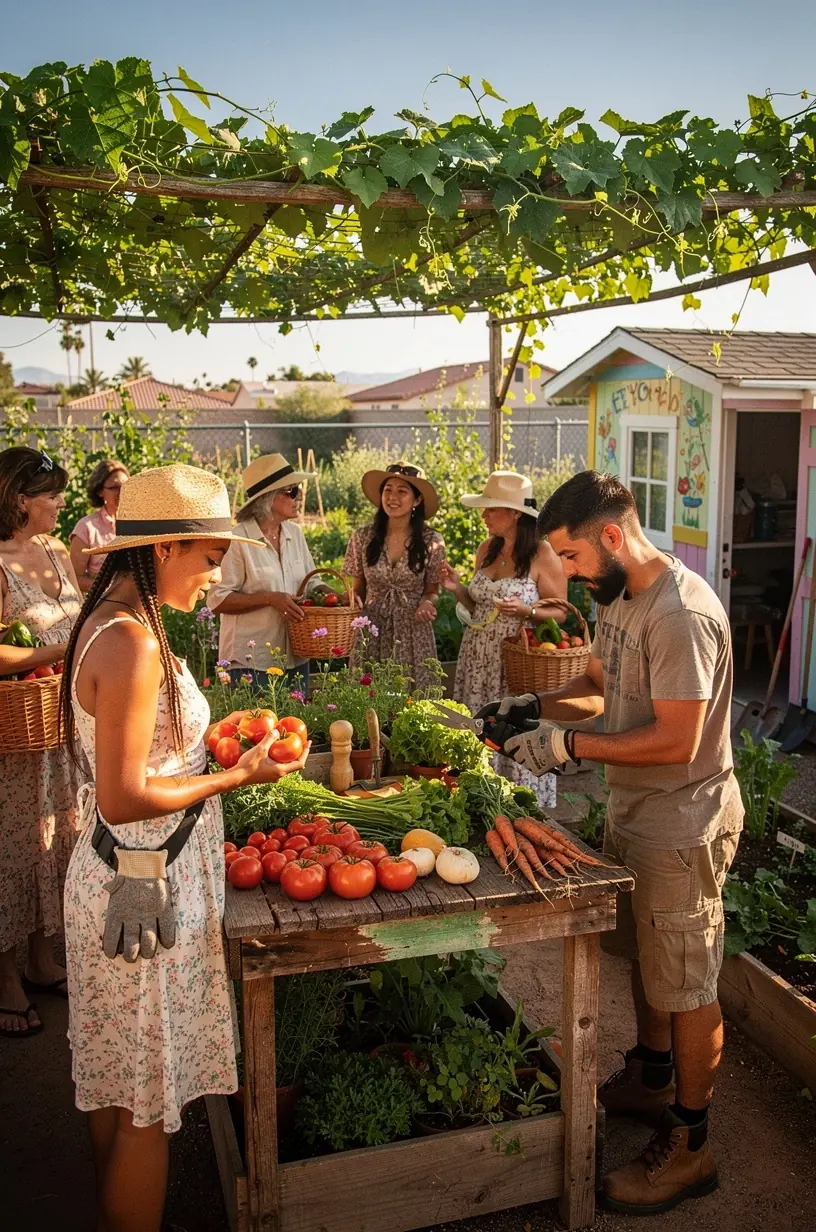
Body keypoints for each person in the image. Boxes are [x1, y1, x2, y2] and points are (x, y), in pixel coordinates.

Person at [61, 463, 310, 1232]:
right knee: (146, 1107)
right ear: (164, 548)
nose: (214, 575)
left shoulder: (114, 620)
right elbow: (124, 793)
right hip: (144, 887)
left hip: (122, 874)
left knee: (117, 1084)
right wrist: (234, 775)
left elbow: (142, 762)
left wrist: (211, 746)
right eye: (209, 557)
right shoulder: (132, 643)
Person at [493, 470, 743, 1215]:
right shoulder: (622, 598)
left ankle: (692, 1145)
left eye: (571, 557)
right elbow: (600, 686)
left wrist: (568, 747)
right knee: (647, 959)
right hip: (635, 812)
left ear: (611, 536)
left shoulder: (680, 614)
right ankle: (652, 1074)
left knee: (686, 984)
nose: (567, 573)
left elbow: (677, 738)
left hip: (682, 822)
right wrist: (530, 708)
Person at [0, 446, 86, 1038]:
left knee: (51, 839)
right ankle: (5, 979)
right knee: (13, 847)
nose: (60, 502)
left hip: (61, 722)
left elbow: (79, 617)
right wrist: (57, 652)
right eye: (51, 494)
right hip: (17, 733)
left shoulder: (55, 551)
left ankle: (39, 959)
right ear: (18, 499)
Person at [439, 470, 566, 809]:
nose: (484, 515)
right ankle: (479, 799)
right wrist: (457, 588)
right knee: (479, 724)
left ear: (514, 513)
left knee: (510, 725)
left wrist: (527, 611)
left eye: (491, 508)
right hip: (477, 658)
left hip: (514, 661)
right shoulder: (487, 548)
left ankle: (520, 804)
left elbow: (561, 613)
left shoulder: (542, 554)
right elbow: (476, 605)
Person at [208, 453, 317, 691]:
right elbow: (218, 600)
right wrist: (269, 599)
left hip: (296, 655)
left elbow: (311, 581)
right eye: (292, 491)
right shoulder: (238, 539)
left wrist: (332, 594)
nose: (299, 496)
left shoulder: (294, 534)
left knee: (297, 717)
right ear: (268, 499)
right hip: (252, 662)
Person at [343, 462, 446, 690]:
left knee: (412, 696)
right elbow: (357, 588)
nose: (392, 497)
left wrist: (427, 604)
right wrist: (352, 600)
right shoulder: (363, 537)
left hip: (412, 631)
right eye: (388, 490)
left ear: (417, 500)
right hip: (372, 628)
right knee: (368, 696)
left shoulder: (431, 541)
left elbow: (432, 591)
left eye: (402, 491)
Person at [69, 459, 130, 593]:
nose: (122, 492)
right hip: (102, 603)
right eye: (115, 487)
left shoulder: (137, 524)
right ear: (100, 491)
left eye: (126, 486)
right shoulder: (86, 527)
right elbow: (74, 578)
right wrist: (111, 589)